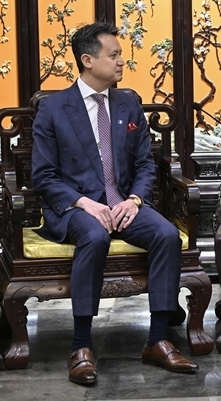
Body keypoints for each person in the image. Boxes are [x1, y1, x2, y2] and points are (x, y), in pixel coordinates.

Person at [32, 22, 199, 385]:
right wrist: (83, 203)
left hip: (123, 204)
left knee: (166, 234)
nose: (122, 61)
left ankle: (157, 340)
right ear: (88, 60)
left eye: (121, 54)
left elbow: (145, 164)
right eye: (114, 55)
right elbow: (43, 175)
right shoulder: (55, 108)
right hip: (76, 208)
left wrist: (135, 200)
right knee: (94, 236)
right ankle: (81, 346)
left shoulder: (127, 104)